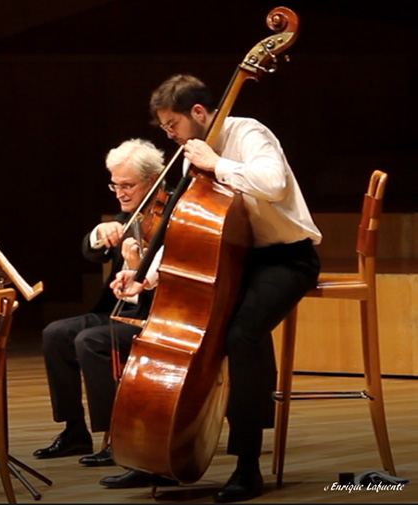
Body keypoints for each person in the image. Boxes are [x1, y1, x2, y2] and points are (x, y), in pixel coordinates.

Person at [103, 74, 321, 502]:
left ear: (198, 112)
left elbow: (273, 184)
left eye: (172, 124)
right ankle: (164, 452)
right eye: (164, 126)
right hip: (235, 258)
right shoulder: (192, 156)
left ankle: (247, 467)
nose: (169, 134)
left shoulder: (248, 133)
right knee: (197, 334)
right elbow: (188, 230)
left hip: (287, 258)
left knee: (241, 336)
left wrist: (218, 163)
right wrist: (146, 274)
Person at [34, 139, 165, 467]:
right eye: (114, 185)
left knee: (90, 341)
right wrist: (99, 233)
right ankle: (74, 431)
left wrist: (138, 264)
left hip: (156, 316)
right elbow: (92, 252)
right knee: (55, 334)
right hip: (118, 310)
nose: (120, 193)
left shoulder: (175, 214)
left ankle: (116, 438)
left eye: (127, 185)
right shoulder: (130, 212)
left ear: (153, 181)